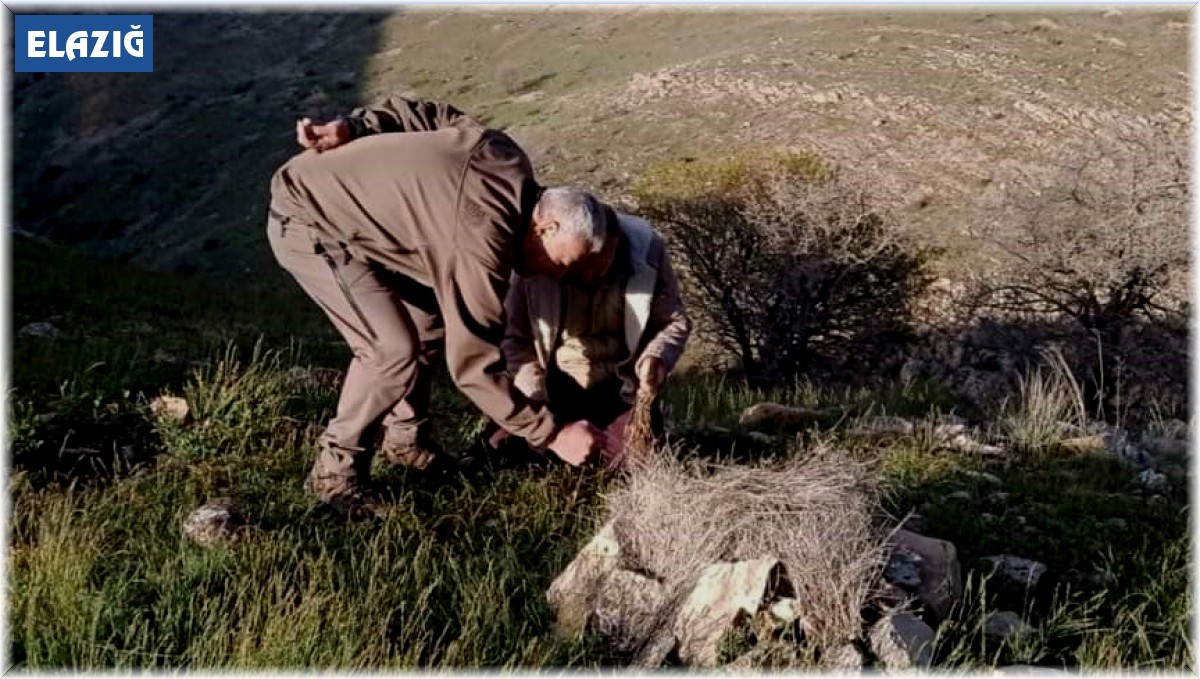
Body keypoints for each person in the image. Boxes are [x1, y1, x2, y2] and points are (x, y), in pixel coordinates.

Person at [268, 95, 607, 517]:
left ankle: (405, 441)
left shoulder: (505, 156)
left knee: (428, 321)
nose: (553, 275)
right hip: (307, 218)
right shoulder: (482, 242)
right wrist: (552, 435)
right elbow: (473, 365)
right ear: (546, 227)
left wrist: (355, 127)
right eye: (561, 262)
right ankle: (334, 474)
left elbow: (425, 114)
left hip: (358, 222)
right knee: (390, 351)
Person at [485, 190, 691, 470]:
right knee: (504, 454)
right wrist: (540, 412)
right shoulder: (533, 258)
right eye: (577, 266)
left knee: (634, 462)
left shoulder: (647, 249)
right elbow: (513, 340)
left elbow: (673, 321)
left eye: (597, 264)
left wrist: (656, 357)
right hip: (549, 384)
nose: (589, 276)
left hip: (618, 388)